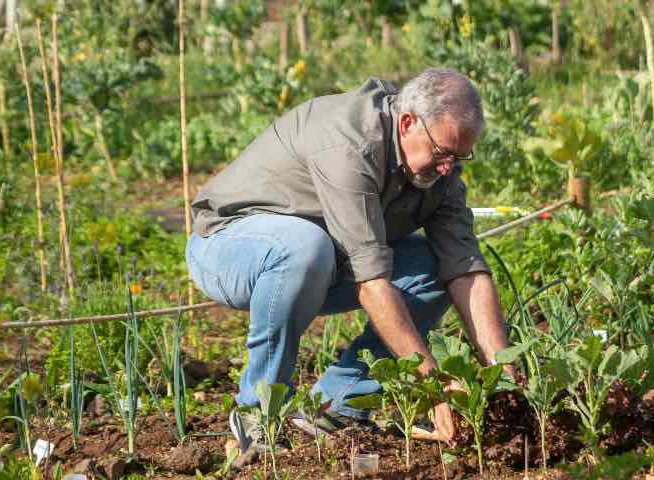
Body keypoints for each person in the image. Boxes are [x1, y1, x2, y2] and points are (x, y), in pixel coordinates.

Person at [186, 67, 511, 451]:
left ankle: (335, 406)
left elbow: (465, 269)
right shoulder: (349, 142)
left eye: (459, 158)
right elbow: (372, 284)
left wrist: (503, 373)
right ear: (407, 123)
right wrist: (433, 386)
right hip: (230, 245)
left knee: (433, 268)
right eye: (442, 153)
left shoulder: (441, 174)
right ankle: (259, 413)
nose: (447, 168)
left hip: (320, 260)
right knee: (305, 247)